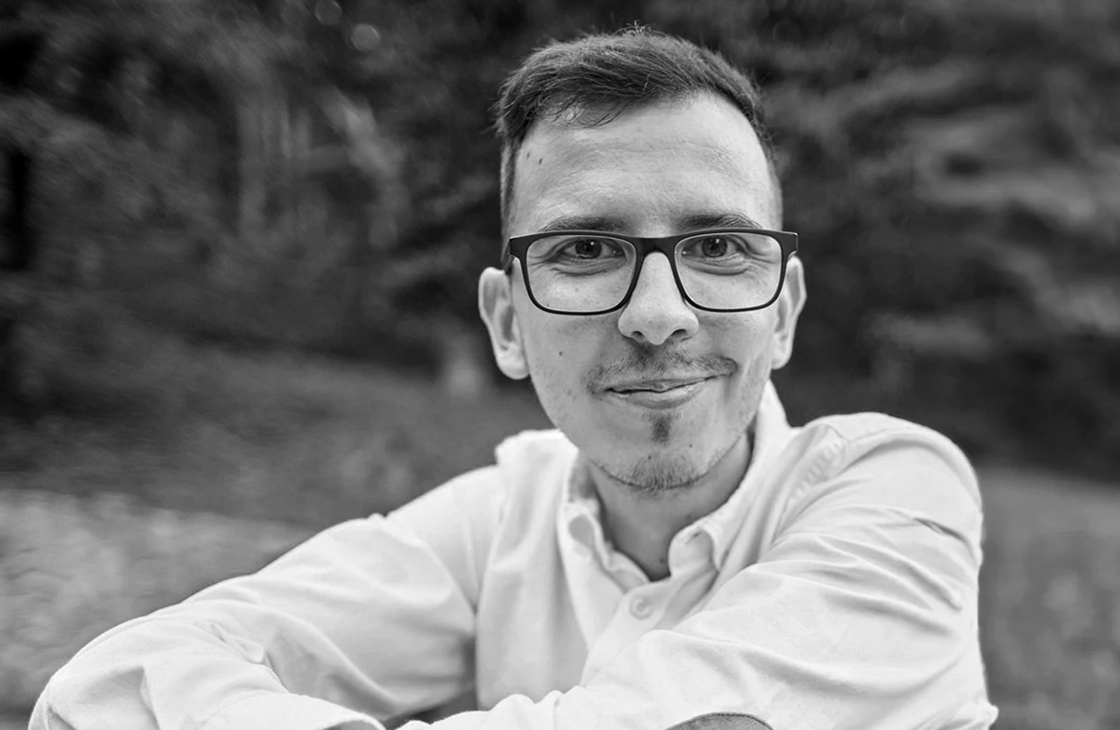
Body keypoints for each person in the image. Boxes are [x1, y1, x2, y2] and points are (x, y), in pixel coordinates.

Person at [30, 27, 998, 730]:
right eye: (585, 248)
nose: (658, 314)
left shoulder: (897, 496)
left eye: (715, 244)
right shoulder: (496, 522)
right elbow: (113, 688)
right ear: (507, 322)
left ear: (781, 309)